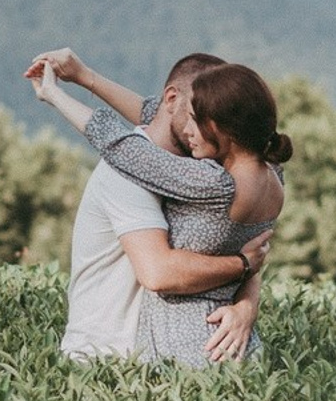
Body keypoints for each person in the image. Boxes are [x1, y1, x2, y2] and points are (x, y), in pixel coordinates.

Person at [31, 56, 289, 366]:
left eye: (197, 118)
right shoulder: (272, 173)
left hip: (180, 351)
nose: (190, 129)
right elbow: (155, 113)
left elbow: (123, 148)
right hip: (230, 349)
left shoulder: (211, 180)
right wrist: (85, 77)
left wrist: (54, 94)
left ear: (220, 126)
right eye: (189, 115)